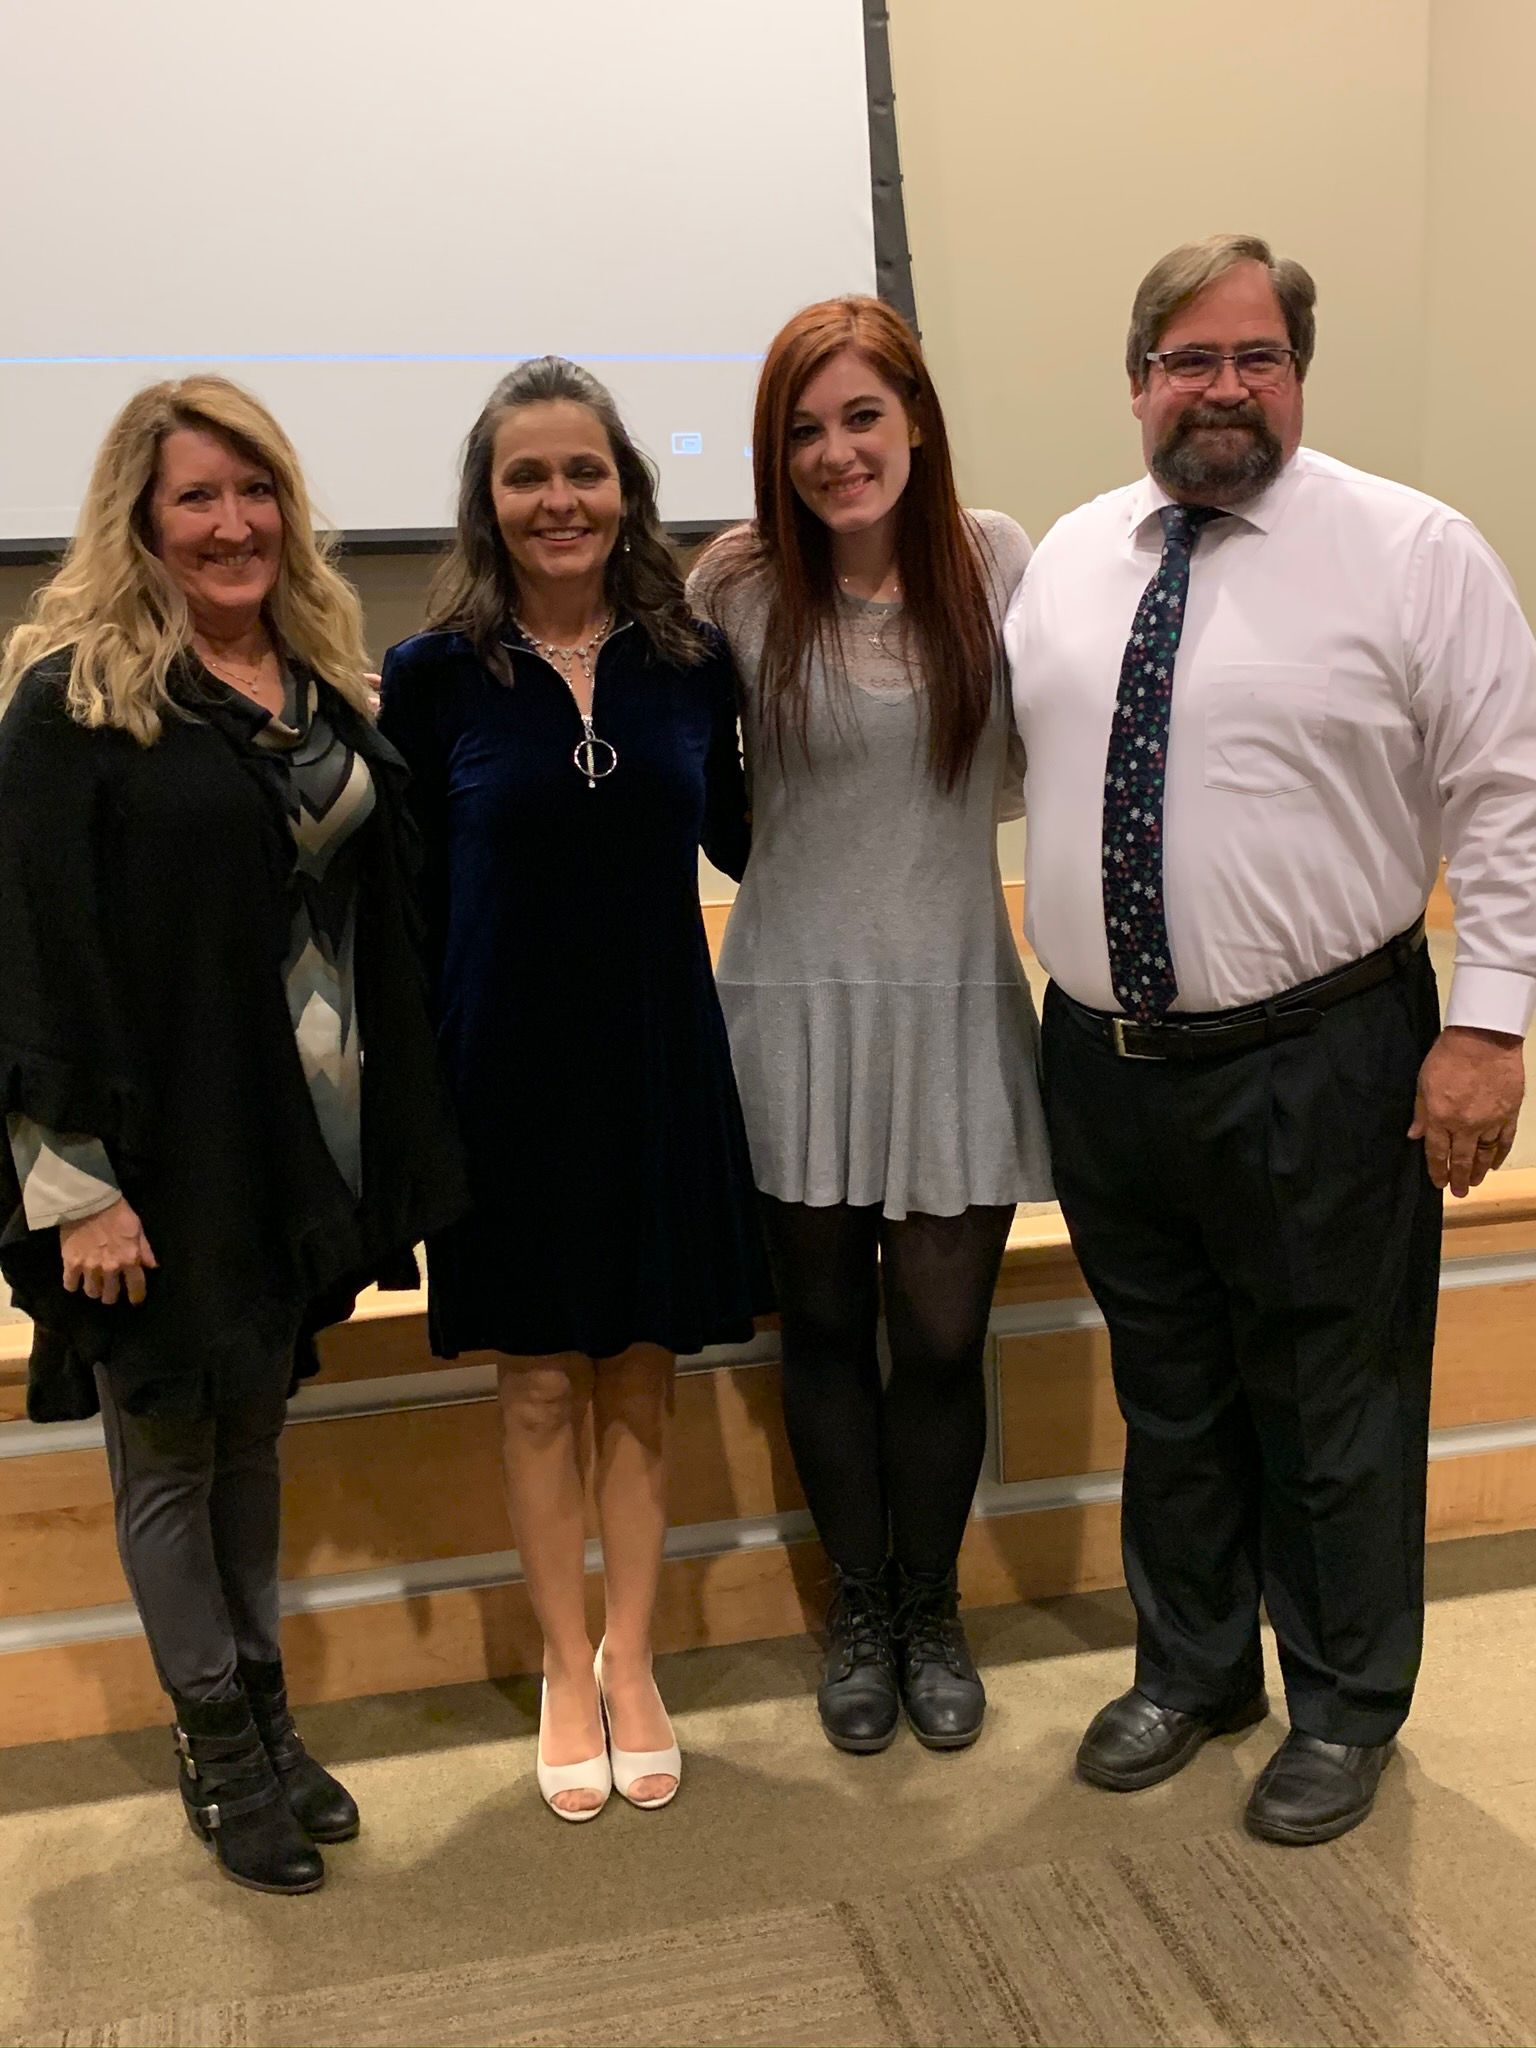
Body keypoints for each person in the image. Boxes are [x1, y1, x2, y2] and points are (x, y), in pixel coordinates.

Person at [1006, 233, 1536, 1845]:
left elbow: (1507, 800)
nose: (1222, 387)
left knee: (1332, 1395)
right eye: (1189, 359)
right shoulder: (1077, 557)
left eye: (1256, 358)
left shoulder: (1414, 550)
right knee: (1170, 1390)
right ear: (1139, 380)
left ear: (1298, 374)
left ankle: (1346, 1702)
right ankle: (1193, 1670)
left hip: (1327, 1058)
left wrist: (1494, 1029)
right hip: (1110, 1063)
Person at [0, 377, 466, 1894]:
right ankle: (216, 1743)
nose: (232, 524)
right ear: (139, 519)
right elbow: (24, 949)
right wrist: (72, 1185)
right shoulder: (74, 700)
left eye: (254, 491)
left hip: (294, 1141)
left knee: (255, 1428)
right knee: (172, 1449)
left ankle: (267, 1713)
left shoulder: (318, 677)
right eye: (195, 497)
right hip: (157, 1151)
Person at [379, 357, 770, 1823]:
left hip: (661, 1062)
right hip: (503, 1078)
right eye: (529, 475)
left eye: (585, 472)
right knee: (541, 1385)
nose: (560, 500)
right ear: (490, 500)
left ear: (627, 489)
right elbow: (406, 910)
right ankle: (561, 1665)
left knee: (645, 1381)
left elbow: (744, 841)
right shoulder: (431, 679)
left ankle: (633, 1659)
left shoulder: (688, 659)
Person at [689, 297, 1050, 1757]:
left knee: (947, 1339)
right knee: (826, 1330)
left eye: (862, 418)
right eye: (806, 428)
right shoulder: (735, 587)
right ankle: (859, 1611)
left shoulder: (997, 563)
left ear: (916, 420)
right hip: (791, 1008)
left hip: (956, 1001)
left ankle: (930, 1606)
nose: (839, 453)